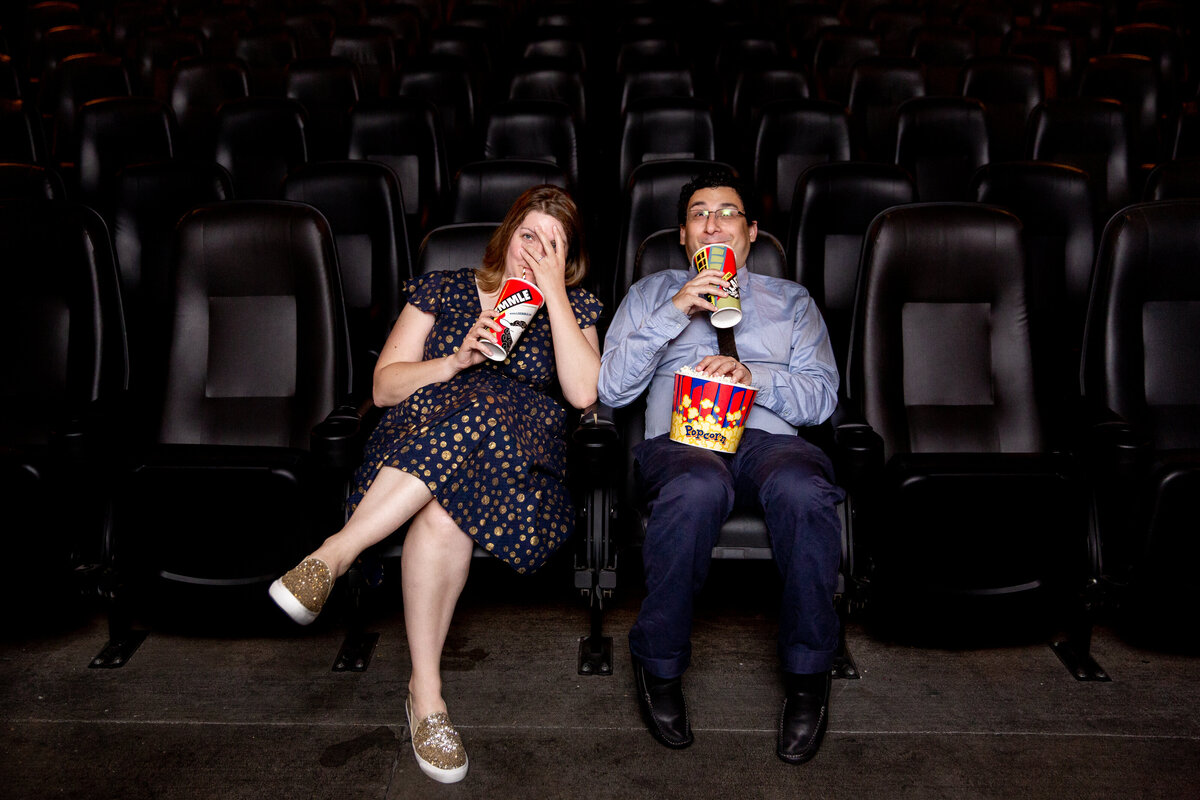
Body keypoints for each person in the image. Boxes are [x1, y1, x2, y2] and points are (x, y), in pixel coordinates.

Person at [269, 185, 602, 784]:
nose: (538, 251)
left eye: (555, 245)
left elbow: (583, 395)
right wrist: (454, 362)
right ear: (506, 234)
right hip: (414, 452)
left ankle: (333, 554)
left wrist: (551, 292)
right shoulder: (444, 287)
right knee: (446, 510)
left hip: (517, 468)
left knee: (482, 415)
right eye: (530, 236)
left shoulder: (574, 307)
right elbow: (383, 388)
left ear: (568, 257)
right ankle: (427, 699)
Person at [597, 169, 844, 764]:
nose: (713, 222)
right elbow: (610, 387)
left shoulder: (793, 302)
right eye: (700, 214)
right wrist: (676, 310)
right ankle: (658, 666)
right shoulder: (650, 294)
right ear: (683, 235)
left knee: (804, 492)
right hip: (681, 443)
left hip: (767, 441)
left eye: (727, 212)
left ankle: (810, 675)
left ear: (751, 232)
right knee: (697, 489)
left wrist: (757, 379)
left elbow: (822, 397)